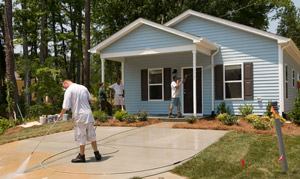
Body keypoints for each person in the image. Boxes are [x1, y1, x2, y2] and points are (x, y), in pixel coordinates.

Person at [59, 80, 101, 163]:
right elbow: (91, 99)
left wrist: (61, 114)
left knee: (81, 135)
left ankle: (81, 156)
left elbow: (66, 106)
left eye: (64, 87)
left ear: (66, 83)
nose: (65, 89)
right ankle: (97, 154)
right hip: (88, 115)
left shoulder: (69, 90)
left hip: (80, 116)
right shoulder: (83, 87)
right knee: (92, 135)